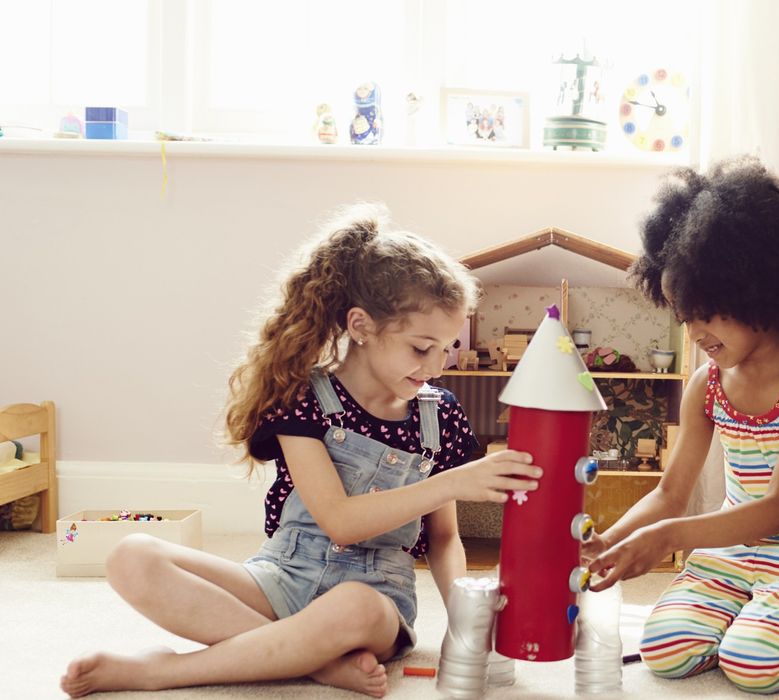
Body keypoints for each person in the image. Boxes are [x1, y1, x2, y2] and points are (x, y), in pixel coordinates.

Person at [60, 203, 542, 698]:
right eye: (422, 348)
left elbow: (442, 541)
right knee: (131, 556)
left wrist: (464, 629)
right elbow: (339, 520)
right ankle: (314, 662)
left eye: (447, 347)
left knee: (352, 606)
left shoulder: (437, 414)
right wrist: (455, 480)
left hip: (375, 600)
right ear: (361, 326)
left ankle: (163, 671)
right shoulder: (304, 399)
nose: (437, 366)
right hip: (282, 576)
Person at [584, 157, 779, 695]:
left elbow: (778, 510)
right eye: (684, 316)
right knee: (665, 652)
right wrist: (610, 541)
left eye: (708, 313)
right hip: (737, 554)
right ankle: (751, 615)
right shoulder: (708, 384)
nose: (694, 332)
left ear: (756, 290)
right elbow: (671, 493)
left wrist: (667, 539)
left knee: (754, 666)